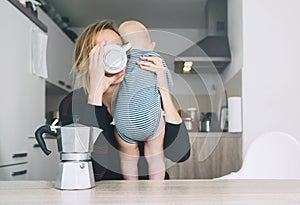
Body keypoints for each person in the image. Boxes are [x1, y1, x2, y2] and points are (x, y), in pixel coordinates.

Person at [59, 19, 190, 181]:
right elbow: (92, 171)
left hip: (152, 190)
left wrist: (163, 89)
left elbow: (180, 154)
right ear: (84, 64)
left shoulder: (145, 94)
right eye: (102, 52)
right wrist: (95, 93)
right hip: (104, 194)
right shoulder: (72, 104)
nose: (114, 56)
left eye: (118, 48)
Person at [112, 20, 173, 180]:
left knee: (128, 159)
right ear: (151, 45)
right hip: (151, 120)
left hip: (124, 121)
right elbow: (168, 85)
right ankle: (156, 191)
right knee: (155, 157)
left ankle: (130, 191)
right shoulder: (155, 59)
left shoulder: (121, 61)